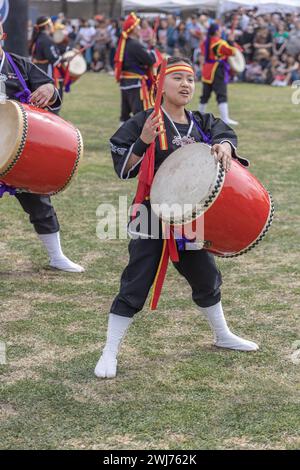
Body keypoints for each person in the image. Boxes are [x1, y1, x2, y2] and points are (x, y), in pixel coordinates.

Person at [94, 57, 258, 379]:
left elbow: (224, 133)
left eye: (190, 79)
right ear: (159, 84)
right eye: (177, 78)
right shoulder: (144, 121)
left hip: (190, 217)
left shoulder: (199, 122)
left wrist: (224, 144)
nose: (186, 85)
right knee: (136, 281)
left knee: (206, 276)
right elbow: (124, 168)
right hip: (151, 215)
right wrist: (143, 140)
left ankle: (222, 334)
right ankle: (109, 351)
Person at [0, 21, 84, 273]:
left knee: (39, 203)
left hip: (18, 149)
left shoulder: (17, 64)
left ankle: (56, 256)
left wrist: (48, 89)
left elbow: (49, 87)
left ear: (2, 35)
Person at [114, 12, 156, 124]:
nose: (139, 28)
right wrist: (153, 49)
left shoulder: (126, 43)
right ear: (133, 29)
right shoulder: (135, 44)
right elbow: (150, 60)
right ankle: (136, 139)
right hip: (135, 83)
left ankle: (120, 140)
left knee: (125, 114)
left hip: (126, 83)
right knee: (139, 113)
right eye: (137, 26)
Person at [199, 23, 239, 126]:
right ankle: (225, 119)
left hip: (207, 70)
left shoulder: (205, 42)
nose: (221, 31)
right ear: (216, 31)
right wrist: (231, 41)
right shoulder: (219, 43)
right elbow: (233, 52)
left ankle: (199, 116)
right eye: (220, 29)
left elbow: (203, 54)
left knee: (205, 95)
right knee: (221, 94)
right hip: (217, 70)